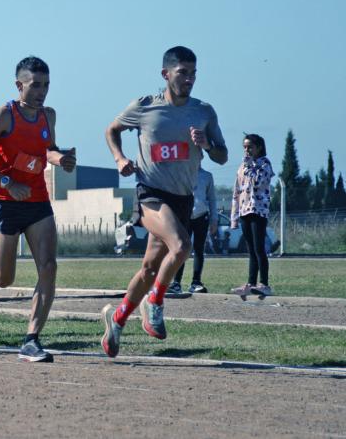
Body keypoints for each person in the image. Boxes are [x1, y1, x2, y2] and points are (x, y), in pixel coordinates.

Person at [99, 46, 227, 358]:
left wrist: (207, 144)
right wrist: (119, 159)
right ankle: (155, 300)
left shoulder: (204, 112)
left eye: (193, 73)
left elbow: (222, 156)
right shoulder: (145, 107)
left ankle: (116, 321)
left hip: (183, 198)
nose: (189, 79)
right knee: (182, 246)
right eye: (183, 73)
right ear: (165, 74)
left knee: (148, 269)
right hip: (150, 194)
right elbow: (112, 130)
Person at [0, 57, 76, 362]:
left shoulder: (49, 116)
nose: (42, 91)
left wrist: (62, 160)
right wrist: (7, 181)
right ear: (18, 85)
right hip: (6, 202)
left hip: (37, 200)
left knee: (49, 268)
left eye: (46, 85)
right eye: (35, 85)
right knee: (1, 279)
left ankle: (31, 339)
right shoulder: (4, 116)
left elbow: (48, 150)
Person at [229, 134, 275, 298]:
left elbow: (258, 182)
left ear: (259, 147)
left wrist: (251, 166)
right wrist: (234, 216)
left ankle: (264, 284)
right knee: (251, 250)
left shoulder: (265, 164)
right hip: (244, 210)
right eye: (245, 147)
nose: (247, 150)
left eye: (250, 147)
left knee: (259, 248)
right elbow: (236, 191)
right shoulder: (242, 166)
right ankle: (251, 283)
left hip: (258, 210)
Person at [170, 166, 217, 293]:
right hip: (185, 215)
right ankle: (176, 283)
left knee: (199, 249)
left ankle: (196, 282)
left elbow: (212, 198)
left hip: (201, 216)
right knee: (181, 248)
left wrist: (214, 219)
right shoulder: (181, 173)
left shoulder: (207, 176)